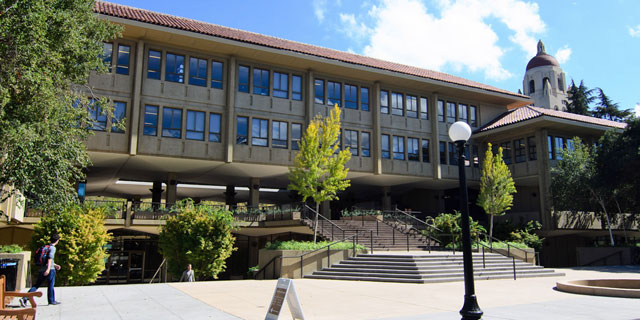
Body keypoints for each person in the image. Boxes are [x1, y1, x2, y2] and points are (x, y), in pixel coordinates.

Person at [22, 234, 61, 306]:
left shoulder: (46, 247)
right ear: (57, 240)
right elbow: (49, 258)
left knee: (37, 285)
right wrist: (49, 269)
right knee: (51, 285)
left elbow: (48, 260)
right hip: (49, 270)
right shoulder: (52, 248)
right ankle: (51, 300)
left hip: (42, 268)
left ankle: (25, 297)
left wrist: (55, 265)